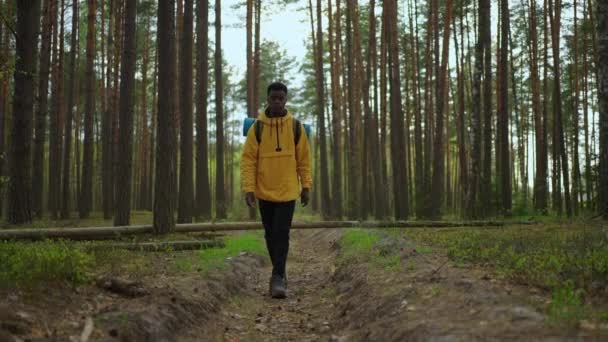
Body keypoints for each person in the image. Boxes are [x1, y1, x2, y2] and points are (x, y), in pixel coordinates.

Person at [240, 81, 312, 299]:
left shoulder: (296, 127)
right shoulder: (257, 128)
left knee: (282, 233)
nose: (277, 102)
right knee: (270, 234)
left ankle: (278, 276)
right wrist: (249, 188)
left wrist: (306, 185)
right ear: (268, 99)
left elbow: (304, 160)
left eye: (281, 98)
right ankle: (279, 273)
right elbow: (248, 160)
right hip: (264, 190)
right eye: (274, 98)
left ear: (286, 100)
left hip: (288, 190)